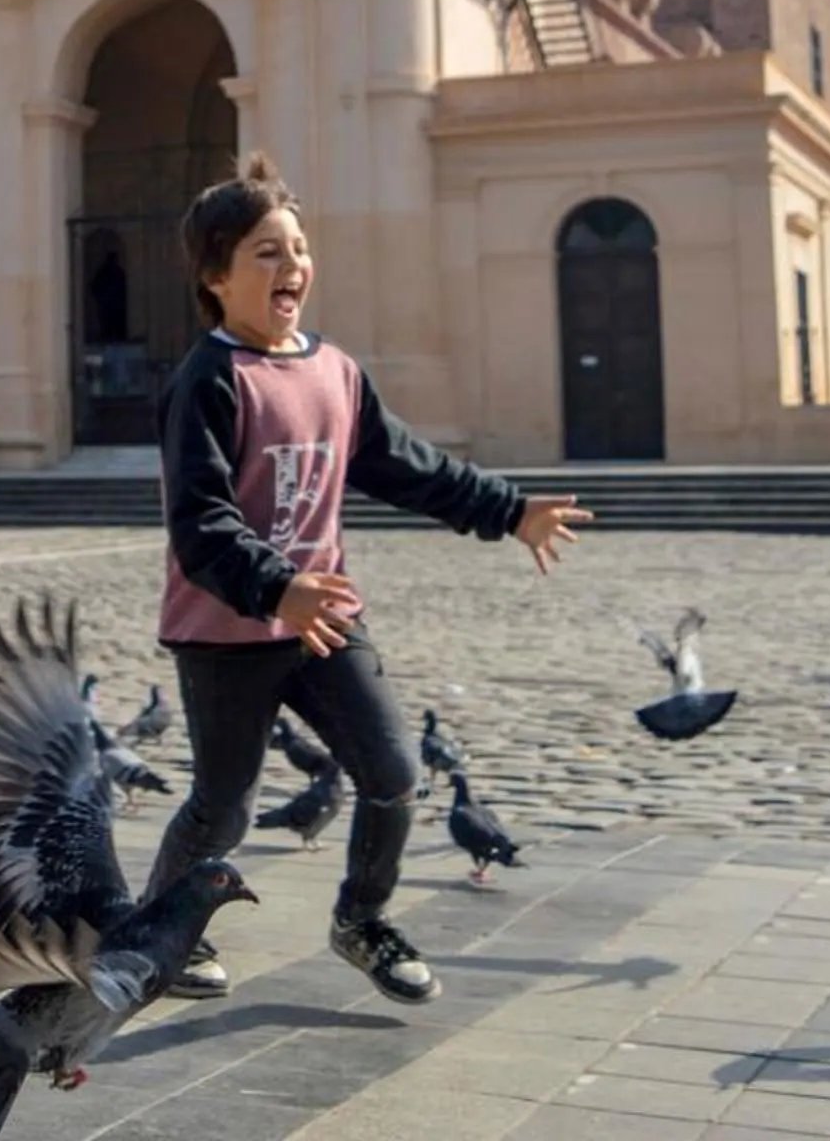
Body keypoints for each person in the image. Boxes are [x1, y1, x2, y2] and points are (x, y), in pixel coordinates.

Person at [145, 153, 590, 1008]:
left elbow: (408, 466)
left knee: (393, 772)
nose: (293, 267)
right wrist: (276, 587)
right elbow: (200, 526)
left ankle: (362, 920)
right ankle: (160, 933)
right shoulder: (207, 380)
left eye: (299, 249)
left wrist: (509, 511)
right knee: (223, 807)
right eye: (267, 252)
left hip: (324, 623)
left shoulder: (335, 371)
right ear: (215, 275)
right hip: (226, 629)